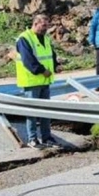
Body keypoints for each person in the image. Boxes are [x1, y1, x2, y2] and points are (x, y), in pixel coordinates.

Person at [15, 14, 61, 149]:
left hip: (44, 81)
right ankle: (33, 139)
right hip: (32, 82)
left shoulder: (45, 38)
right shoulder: (24, 38)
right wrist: (42, 70)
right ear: (35, 24)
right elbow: (28, 60)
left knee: (45, 111)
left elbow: (51, 54)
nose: (46, 29)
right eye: (43, 26)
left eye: (47, 26)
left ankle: (47, 137)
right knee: (32, 112)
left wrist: (55, 65)